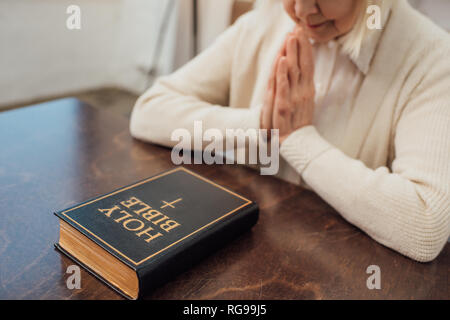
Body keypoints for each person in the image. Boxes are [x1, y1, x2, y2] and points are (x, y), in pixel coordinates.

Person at [129, 0, 450, 262]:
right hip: (242, 257)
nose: (301, 10)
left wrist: (299, 140)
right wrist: (261, 124)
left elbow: (425, 224)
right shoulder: (263, 21)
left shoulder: (432, 58)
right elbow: (148, 112)